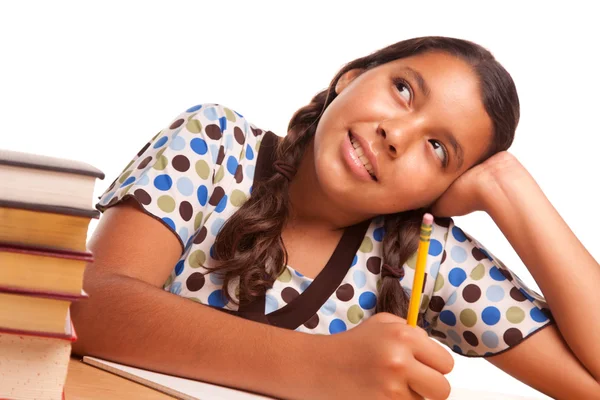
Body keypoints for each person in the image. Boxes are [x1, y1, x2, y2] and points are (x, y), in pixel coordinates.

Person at [70, 36, 600, 399]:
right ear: (350, 77)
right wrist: (320, 366)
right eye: (404, 90)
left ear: (443, 191)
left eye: (438, 150)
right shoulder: (215, 143)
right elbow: (89, 307)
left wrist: (509, 188)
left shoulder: (426, 256)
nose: (397, 135)